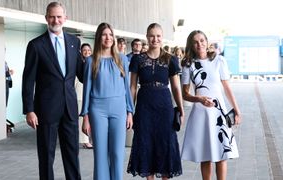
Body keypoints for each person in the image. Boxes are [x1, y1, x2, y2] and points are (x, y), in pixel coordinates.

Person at [22, 2, 83, 180]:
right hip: (45, 110)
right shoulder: (36, 45)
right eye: (52, 16)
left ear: (65, 18)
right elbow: (28, 80)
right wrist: (29, 110)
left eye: (59, 16)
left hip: (69, 109)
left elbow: (82, 73)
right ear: (46, 17)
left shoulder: (74, 42)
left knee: (72, 155)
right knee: (47, 157)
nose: (55, 20)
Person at [180, 30, 241, 180]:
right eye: (195, 42)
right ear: (191, 45)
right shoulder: (189, 65)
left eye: (202, 40)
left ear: (207, 42)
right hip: (201, 113)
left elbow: (227, 88)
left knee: (222, 153)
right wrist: (200, 99)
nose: (199, 44)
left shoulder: (219, 61)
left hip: (219, 111)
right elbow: (185, 94)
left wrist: (237, 110)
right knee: (205, 155)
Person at [127, 23, 184, 180]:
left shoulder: (171, 59)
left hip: (164, 106)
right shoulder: (137, 59)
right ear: (147, 37)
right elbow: (132, 87)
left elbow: (176, 87)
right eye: (152, 35)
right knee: (146, 143)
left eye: (158, 36)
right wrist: (129, 111)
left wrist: (180, 108)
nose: (155, 39)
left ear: (162, 37)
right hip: (144, 106)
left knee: (165, 144)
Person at [80, 22, 134, 180]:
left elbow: (127, 87)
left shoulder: (122, 59)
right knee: (101, 154)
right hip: (98, 110)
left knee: (118, 153)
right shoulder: (91, 61)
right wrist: (85, 116)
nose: (108, 38)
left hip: (119, 109)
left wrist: (130, 111)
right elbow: (87, 90)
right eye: (104, 34)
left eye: (110, 35)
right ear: (98, 37)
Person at [78, 43, 93, 149]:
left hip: (90, 93)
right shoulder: (79, 63)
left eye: (88, 50)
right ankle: (84, 141)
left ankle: (88, 138)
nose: (87, 52)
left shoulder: (92, 62)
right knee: (82, 118)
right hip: (80, 92)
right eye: (84, 50)